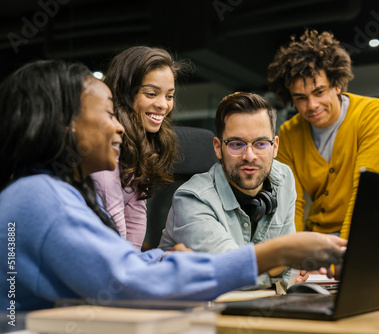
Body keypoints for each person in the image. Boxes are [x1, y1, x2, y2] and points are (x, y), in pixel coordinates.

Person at [0, 60, 347, 311]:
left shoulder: (53, 193)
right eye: (108, 114)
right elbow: (131, 284)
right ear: (64, 126)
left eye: (260, 144)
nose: (120, 127)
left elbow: (116, 266)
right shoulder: (40, 198)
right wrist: (280, 251)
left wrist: (161, 257)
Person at [159, 92, 296, 288]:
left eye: (261, 144)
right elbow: (231, 276)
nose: (249, 156)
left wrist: (284, 268)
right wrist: (279, 270)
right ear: (217, 147)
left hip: (261, 306)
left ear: (275, 147)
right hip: (197, 314)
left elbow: (290, 269)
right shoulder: (191, 199)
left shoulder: (284, 179)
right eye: (236, 144)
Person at [267, 29, 379, 239]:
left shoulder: (372, 114)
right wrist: (292, 256)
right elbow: (291, 202)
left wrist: (346, 253)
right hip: (317, 239)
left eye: (319, 92)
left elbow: (366, 192)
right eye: (300, 98)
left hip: (365, 234)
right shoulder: (289, 133)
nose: (311, 105)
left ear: (336, 85)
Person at [91, 46, 182, 248]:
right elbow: (112, 217)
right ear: (124, 93)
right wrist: (129, 267)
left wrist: (135, 262)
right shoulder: (105, 140)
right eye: (151, 94)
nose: (163, 105)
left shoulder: (146, 141)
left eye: (169, 96)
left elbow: (136, 213)